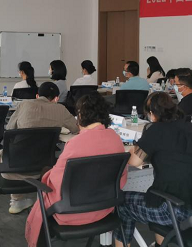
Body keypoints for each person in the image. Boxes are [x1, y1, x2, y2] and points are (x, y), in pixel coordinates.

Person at [25, 93, 128, 247]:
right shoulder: (115, 139)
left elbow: (57, 182)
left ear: (80, 115)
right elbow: (121, 178)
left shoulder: (75, 144)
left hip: (69, 212)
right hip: (104, 208)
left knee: (46, 177)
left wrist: (46, 175)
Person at [114, 92, 192, 247]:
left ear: (152, 113)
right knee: (160, 193)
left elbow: (134, 161)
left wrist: (132, 148)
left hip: (172, 209)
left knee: (122, 202)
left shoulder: (156, 130)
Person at [3, 82, 79, 214]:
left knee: (15, 148)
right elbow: (76, 128)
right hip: (44, 166)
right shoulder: (60, 109)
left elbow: (9, 129)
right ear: (56, 98)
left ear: (37, 96)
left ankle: (16, 201)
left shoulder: (24, 104)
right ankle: (44, 200)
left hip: (12, 167)